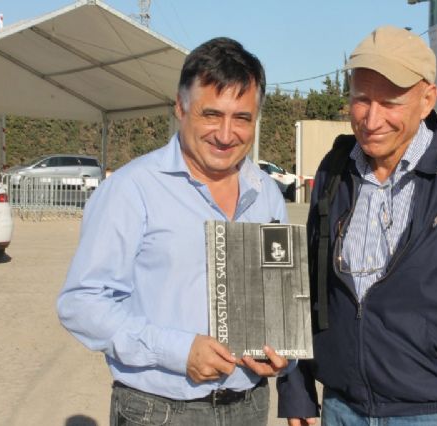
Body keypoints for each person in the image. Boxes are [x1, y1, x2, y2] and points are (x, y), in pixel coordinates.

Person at [277, 26, 437, 426]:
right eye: (361, 99)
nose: (371, 119)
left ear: (427, 99)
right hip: (342, 410)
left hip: (434, 414)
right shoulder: (335, 171)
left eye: (390, 102)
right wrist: (297, 392)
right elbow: (306, 289)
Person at [57, 37, 290, 426]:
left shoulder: (266, 193)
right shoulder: (132, 189)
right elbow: (81, 303)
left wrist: (282, 351)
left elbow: (275, 293)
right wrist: (178, 351)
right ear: (180, 108)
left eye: (242, 118)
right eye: (211, 114)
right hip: (160, 411)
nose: (226, 133)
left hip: (249, 405)